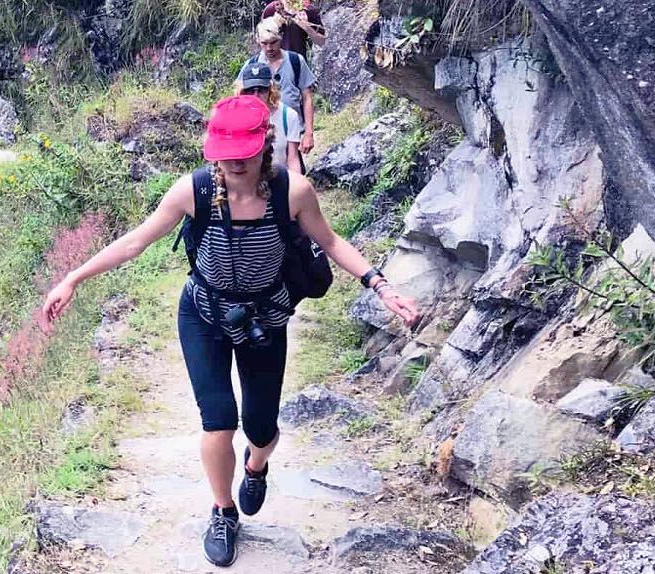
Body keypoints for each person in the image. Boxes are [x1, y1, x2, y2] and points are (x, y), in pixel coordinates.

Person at [41, 95, 420, 568]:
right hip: (203, 314)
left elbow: (330, 241)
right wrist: (73, 278)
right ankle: (223, 511)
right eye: (226, 154)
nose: (235, 163)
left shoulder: (293, 192)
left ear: (264, 145)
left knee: (261, 426)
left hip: (265, 318)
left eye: (245, 153)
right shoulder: (194, 191)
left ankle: (256, 466)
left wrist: (381, 287)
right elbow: (137, 240)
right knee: (218, 418)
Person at [237, 17, 316, 160]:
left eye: (273, 42)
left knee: (294, 166)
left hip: (293, 132)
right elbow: (238, 97)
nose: (269, 48)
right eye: (264, 43)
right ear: (257, 40)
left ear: (281, 38)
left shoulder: (295, 61)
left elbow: (307, 97)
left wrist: (309, 133)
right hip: (260, 134)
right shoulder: (251, 66)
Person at [239, 61, 302, 174]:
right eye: (250, 90)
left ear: (270, 89)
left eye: (261, 89)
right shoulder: (236, 117)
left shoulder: (288, 115)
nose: (256, 95)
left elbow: (293, 158)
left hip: (279, 177)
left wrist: (295, 181)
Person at [260, 0, 326, 57]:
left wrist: (307, 27)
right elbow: (261, 39)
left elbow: (321, 42)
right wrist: (273, 26)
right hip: (274, 61)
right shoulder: (272, 9)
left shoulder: (309, 10)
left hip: (298, 61)